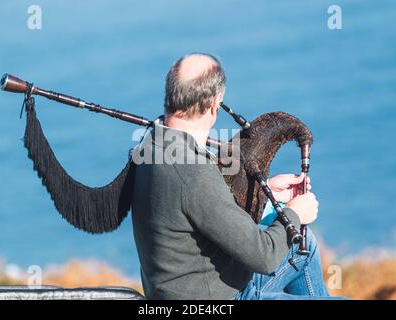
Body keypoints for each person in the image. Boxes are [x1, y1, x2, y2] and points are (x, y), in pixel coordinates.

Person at [131, 53, 335, 300]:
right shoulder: (192, 173)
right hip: (218, 297)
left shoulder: (151, 146)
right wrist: (294, 213)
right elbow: (265, 256)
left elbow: (202, 210)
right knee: (294, 234)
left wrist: (266, 194)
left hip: (188, 284)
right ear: (215, 105)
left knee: (303, 246)